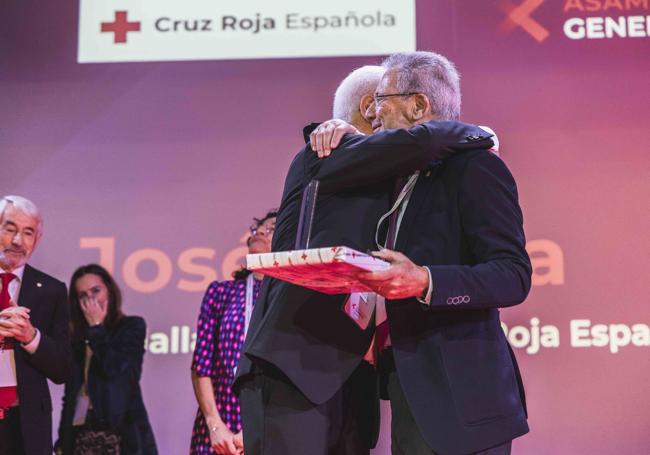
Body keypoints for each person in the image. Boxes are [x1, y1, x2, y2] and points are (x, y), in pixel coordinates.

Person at [234, 66, 496, 455]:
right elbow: (422, 143)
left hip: (351, 374)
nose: (408, 122)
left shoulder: (389, 175)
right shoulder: (326, 151)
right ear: (369, 107)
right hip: (294, 366)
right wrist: (480, 134)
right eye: (391, 103)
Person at [312, 52, 531, 454]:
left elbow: (513, 274)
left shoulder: (476, 168)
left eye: (381, 99)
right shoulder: (395, 174)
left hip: (465, 394)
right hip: (408, 382)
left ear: (418, 105)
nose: (373, 113)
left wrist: (425, 280)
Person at [190, 210, 277, 455]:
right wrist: (215, 425)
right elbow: (201, 364)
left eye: (270, 229)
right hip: (220, 429)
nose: (260, 232)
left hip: (272, 425)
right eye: (258, 229)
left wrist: (258, 427)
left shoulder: (289, 294)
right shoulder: (221, 292)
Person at [55, 264, 157, 454]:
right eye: (83, 295)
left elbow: (114, 368)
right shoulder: (76, 338)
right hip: (82, 432)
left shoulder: (130, 327)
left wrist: (96, 327)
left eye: (96, 291)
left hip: (121, 434)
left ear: (109, 291)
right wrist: (63, 441)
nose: (91, 300)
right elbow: (71, 396)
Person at [0, 195, 72, 455]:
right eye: (10, 229)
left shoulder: (51, 290)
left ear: (37, 241)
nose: (18, 240)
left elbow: (63, 369)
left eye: (28, 232)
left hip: (26, 423)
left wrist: (31, 337)